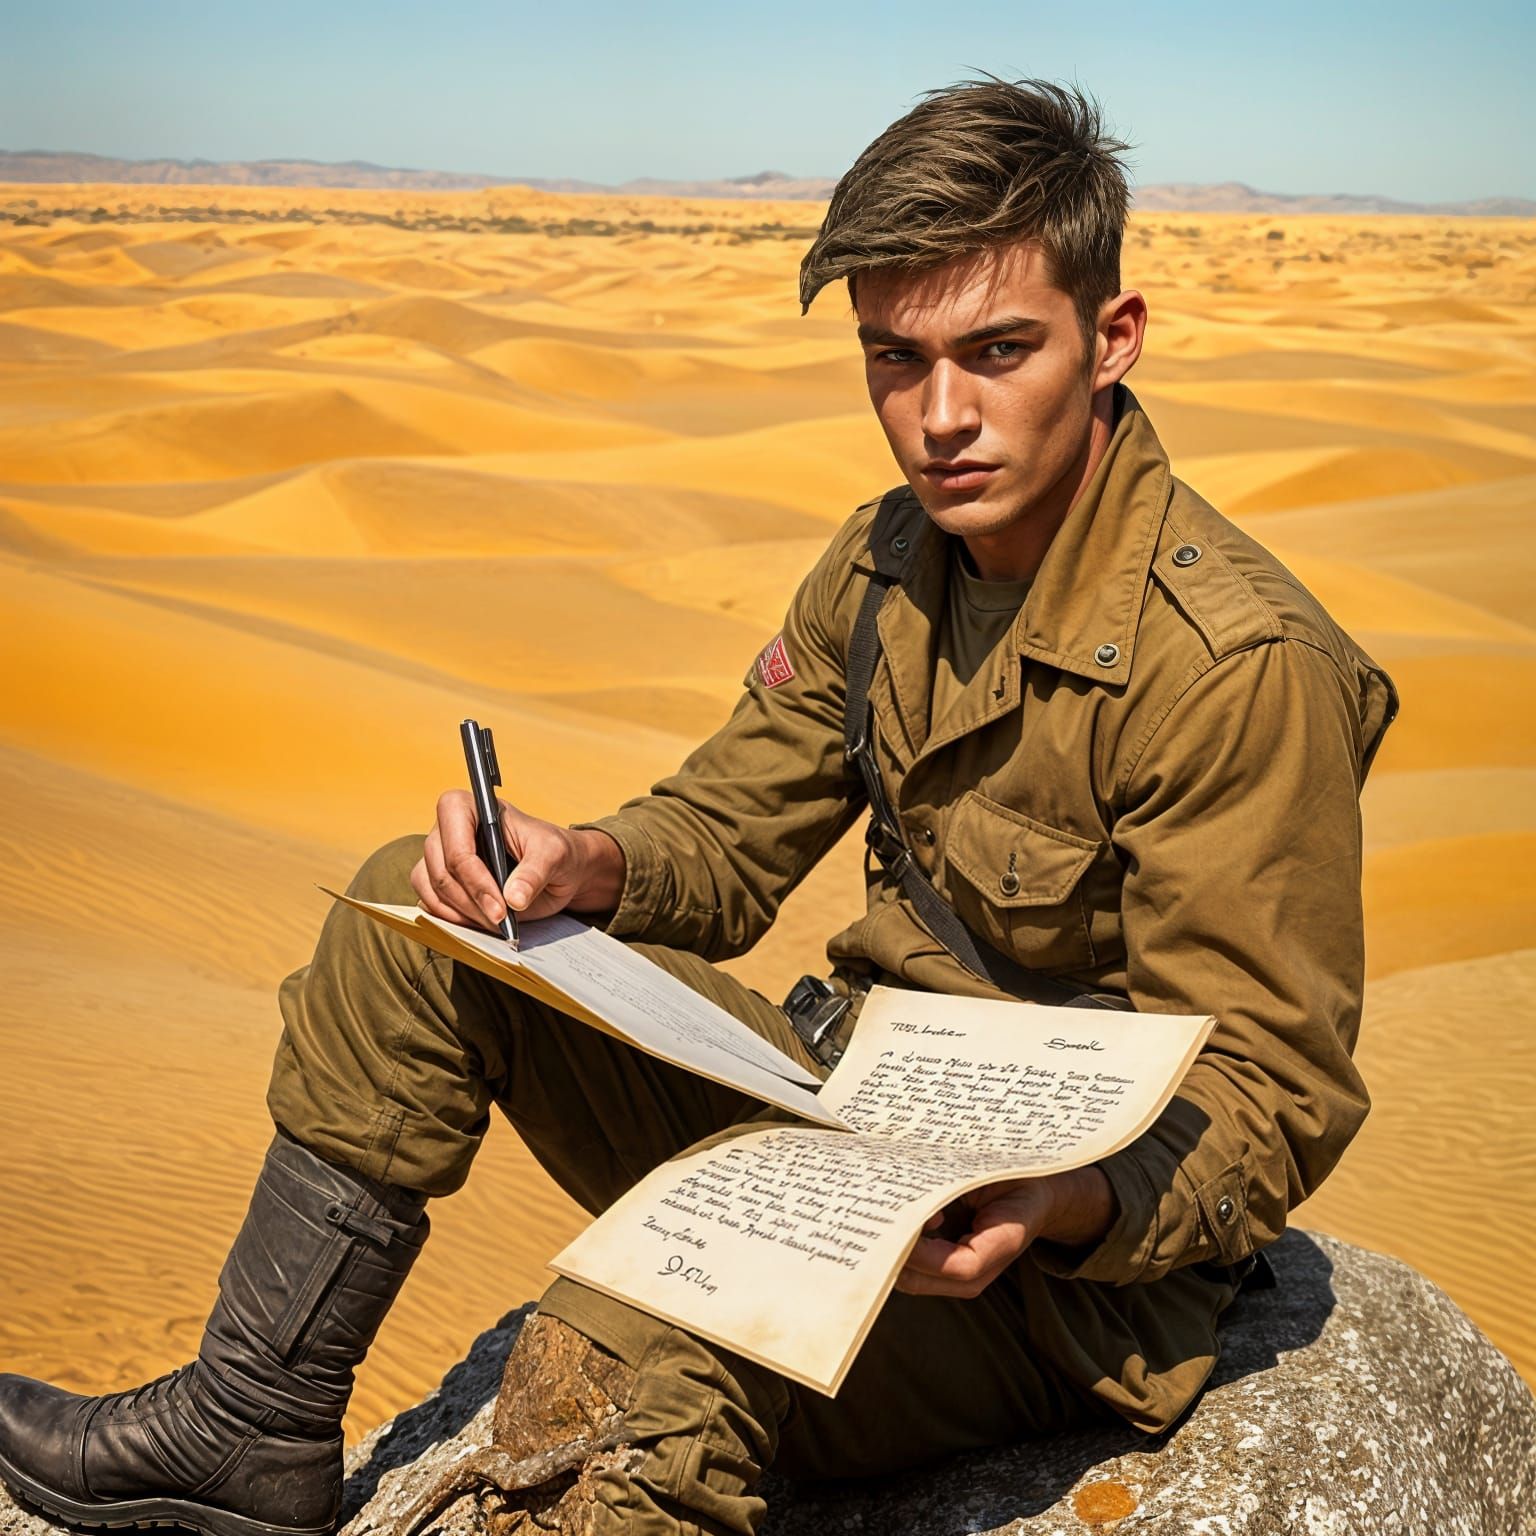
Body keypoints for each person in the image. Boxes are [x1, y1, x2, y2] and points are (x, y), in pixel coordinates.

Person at [0, 78, 1396, 1536]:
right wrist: (579, 859)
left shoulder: (1238, 665)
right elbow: (727, 840)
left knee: (628, 1347)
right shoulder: (883, 566)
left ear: (1112, 340)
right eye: (893, 359)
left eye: (997, 353)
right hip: (838, 1107)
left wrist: (1067, 1205)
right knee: (412, 927)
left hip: (1048, 1275)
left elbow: (1271, 1096)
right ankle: (249, 1426)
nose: (938, 417)